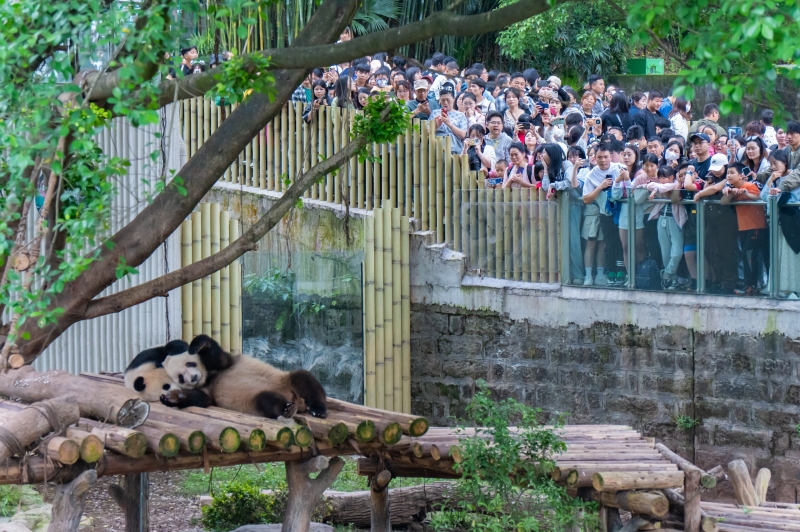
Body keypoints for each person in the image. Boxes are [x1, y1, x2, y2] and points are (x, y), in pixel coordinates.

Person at [582, 143, 628, 286]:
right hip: (604, 213)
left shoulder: (619, 168)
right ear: (595, 158)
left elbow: (629, 187)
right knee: (609, 244)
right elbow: (586, 199)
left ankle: (622, 272)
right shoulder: (591, 175)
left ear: (611, 156)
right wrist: (601, 186)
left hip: (622, 212)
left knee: (622, 243)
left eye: (606, 157)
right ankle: (611, 272)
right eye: (600, 157)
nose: (603, 160)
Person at [693, 153, 738, 294]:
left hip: (726, 219)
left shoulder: (728, 179)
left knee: (726, 252)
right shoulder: (710, 177)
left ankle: (728, 283)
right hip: (711, 219)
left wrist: (700, 193)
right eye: (714, 168)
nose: (716, 171)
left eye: (719, 168)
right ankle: (717, 280)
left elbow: (716, 189)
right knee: (710, 250)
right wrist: (706, 186)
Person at [724, 162, 768, 295]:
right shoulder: (732, 189)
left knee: (750, 257)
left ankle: (751, 286)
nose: (729, 176)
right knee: (747, 257)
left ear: (741, 175)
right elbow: (723, 201)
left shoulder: (748, 186)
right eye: (728, 173)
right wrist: (729, 191)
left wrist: (746, 194)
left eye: (732, 173)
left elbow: (761, 197)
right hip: (744, 228)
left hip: (755, 227)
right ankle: (751, 285)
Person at [762, 149, 800, 298]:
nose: (773, 166)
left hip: (791, 221)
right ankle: (778, 288)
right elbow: (763, 197)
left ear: (784, 163)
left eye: (775, 163)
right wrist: (770, 181)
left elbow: (793, 198)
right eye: (770, 164)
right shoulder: (773, 178)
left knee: (790, 256)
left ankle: (792, 288)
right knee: (778, 256)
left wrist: (780, 191)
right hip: (777, 224)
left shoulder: (792, 178)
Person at [681, 132, 714, 291]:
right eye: (695, 143)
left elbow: (693, 185)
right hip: (692, 213)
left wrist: (691, 176)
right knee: (690, 253)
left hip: (709, 213)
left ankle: (707, 283)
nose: (697, 146)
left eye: (701, 142)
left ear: (709, 144)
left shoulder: (713, 163)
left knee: (706, 252)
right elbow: (684, 184)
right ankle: (695, 281)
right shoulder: (692, 163)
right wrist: (690, 174)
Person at [647, 166, 685, 290]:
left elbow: (674, 194)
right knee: (665, 252)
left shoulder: (677, 184)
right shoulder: (659, 187)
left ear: (671, 177)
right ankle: (671, 280)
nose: (662, 180)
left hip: (675, 220)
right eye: (660, 177)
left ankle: (666, 273)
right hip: (662, 219)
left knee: (677, 252)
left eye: (664, 177)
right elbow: (650, 186)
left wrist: (675, 184)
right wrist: (657, 187)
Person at [430, 84, 467, 154]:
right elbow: (426, 133)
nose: (445, 103)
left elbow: (463, 135)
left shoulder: (460, 115)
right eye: (443, 100)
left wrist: (449, 124)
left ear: (454, 99)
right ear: (439, 100)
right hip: (437, 148)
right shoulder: (434, 113)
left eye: (448, 100)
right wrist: (436, 127)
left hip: (455, 150)